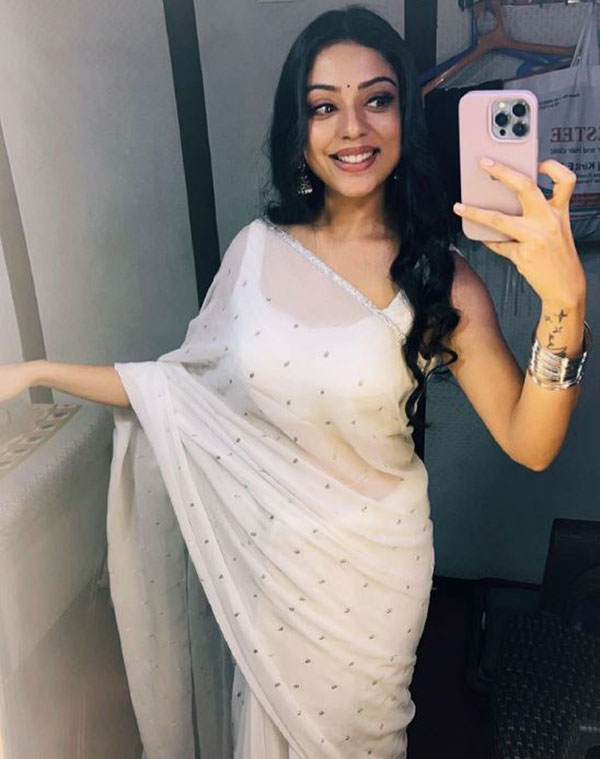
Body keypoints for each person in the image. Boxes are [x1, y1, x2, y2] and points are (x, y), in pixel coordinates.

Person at [0, 5, 591, 758]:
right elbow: (179, 393)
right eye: (324, 107)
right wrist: (37, 371)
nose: (353, 128)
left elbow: (531, 443)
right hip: (270, 564)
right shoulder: (256, 251)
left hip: (372, 576)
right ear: (298, 128)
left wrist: (566, 302)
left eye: (377, 99)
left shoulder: (439, 278)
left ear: (405, 117)